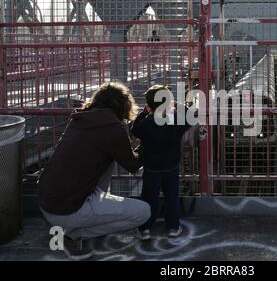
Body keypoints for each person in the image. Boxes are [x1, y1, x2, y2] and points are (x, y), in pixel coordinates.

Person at [38, 82, 151, 260]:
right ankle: (73, 234)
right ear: (123, 105)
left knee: (104, 161)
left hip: (47, 203)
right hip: (68, 209)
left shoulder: (79, 120)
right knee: (143, 212)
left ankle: (73, 225)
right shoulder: (113, 128)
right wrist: (150, 142)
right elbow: (134, 166)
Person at [131, 85, 192, 240]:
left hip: (151, 168)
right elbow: (189, 118)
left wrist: (144, 113)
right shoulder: (175, 121)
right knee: (172, 197)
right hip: (171, 166)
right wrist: (178, 105)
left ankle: (144, 229)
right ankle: (173, 227)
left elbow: (134, 129)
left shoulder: (146, 123)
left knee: (149, 198)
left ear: (150, 105)